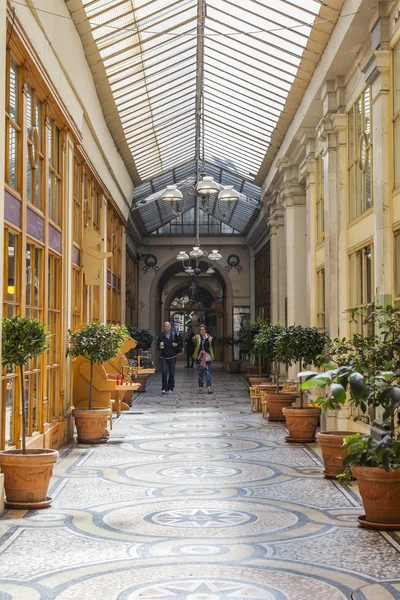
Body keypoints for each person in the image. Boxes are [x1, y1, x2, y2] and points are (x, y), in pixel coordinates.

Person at [158, 322, 181, 395]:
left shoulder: (174, 335)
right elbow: (158, 346)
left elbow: (180, 342)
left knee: (171, 373)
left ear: (170, 327)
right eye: (165, 326)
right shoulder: (161, 335)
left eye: (168, 326)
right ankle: (164, 388)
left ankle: (171, 387)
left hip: (172, 356)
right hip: (164, 356)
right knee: (164, 372)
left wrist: (176, 344)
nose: (167, 327)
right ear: (164, 327)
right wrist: (160, 346)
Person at [192, 324, 214, 394]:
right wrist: (194, 338)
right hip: (199, 358)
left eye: (203, 330)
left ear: (205, 330)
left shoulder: (209, 338)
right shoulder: (197, 337)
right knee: (200, 373)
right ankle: (201, 388)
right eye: (200, 330)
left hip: (207, 357)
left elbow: (211, 347)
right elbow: (193, 340)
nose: (202, 331)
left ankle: (209, 388)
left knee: (208, 373)